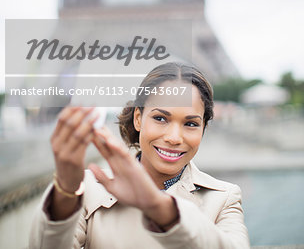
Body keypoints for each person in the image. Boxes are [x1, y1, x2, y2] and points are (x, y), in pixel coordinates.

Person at [29, 62, 250, 248]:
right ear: (138, 118)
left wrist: (157, 205)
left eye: (191, 123)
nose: (174, 137)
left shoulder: (224, 198)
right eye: (160, 118)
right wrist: (66, 191)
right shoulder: (85, 189)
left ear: (204, 129)